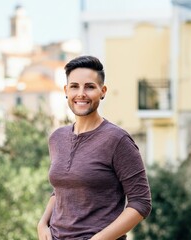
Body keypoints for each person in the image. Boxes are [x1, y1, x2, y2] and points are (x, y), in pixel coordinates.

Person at [37, 55, 152, 240]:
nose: (81, 93)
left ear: (102, 91)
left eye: (89, 87)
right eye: (74, 86)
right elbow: (60, 190)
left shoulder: (117, 140)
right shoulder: (57, 138)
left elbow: (141, 203)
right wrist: (42, 224)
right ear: (66, 90)